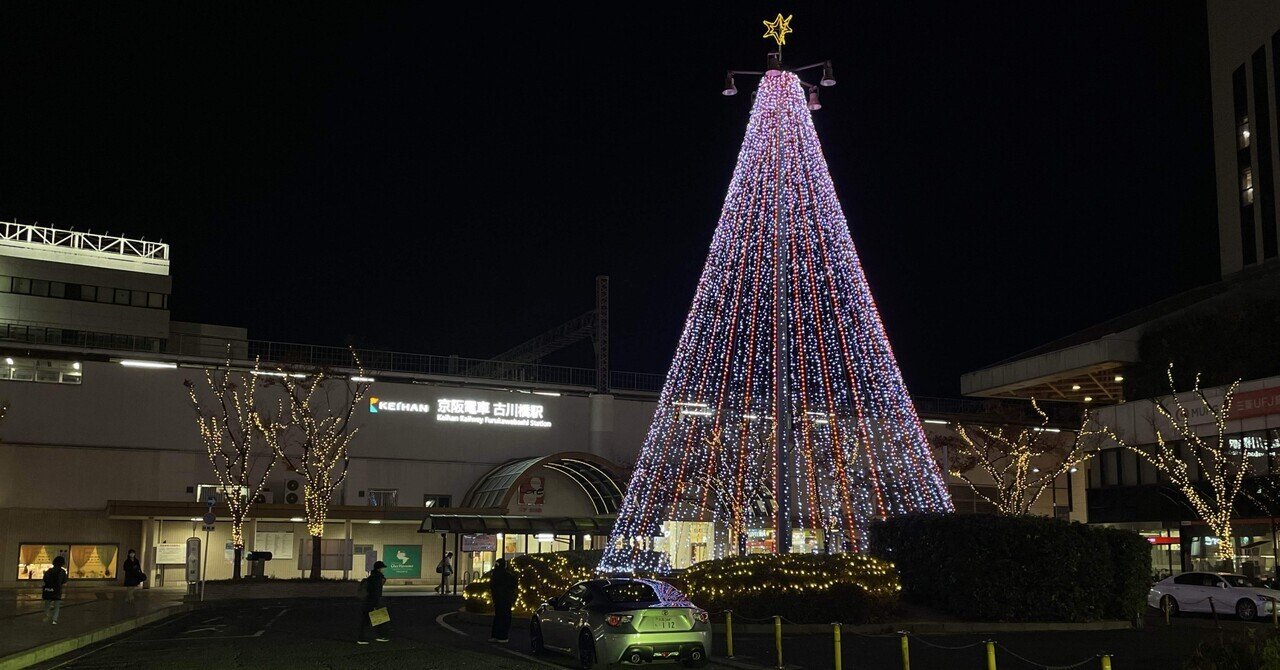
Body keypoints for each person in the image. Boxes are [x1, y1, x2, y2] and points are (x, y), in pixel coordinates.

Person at [357, 560, 390, 644]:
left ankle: (378, 636)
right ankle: (362, 639)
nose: (384, 569)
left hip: (369, 601)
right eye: (383, 568)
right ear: (379, 568)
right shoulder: (377, 578)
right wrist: (375, 603)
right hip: (373, 602)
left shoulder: (372, 576)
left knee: (376, 620)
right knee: (369, 620)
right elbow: (376, 591)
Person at [488, 557, 518, 643]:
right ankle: (503, 636)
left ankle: (496, 635)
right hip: (506, 599)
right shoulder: (508, 575)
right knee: (505, 617)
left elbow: (492, 586)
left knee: (498, 617)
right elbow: (514, 585)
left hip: (497, 599)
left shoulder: (495, 574)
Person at [42, 555, 68, 624]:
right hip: (57, 590)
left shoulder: (49, 571)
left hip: (49, 589)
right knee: (57, 605)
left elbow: (45, 579)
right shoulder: (62, 572)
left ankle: (46, 616)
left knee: (47, 603)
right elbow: (65, 581)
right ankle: (54, 619)